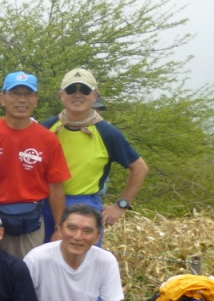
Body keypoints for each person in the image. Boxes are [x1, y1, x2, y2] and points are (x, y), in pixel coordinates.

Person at [0, 72, 70, 259]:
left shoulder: (48, 139)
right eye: (15, 93)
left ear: (36, 100)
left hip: (30, 221)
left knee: (28, 274)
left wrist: (59, 227)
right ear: (2, 98)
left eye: (28, 94)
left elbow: (56, 186)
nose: (21, 100)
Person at [40, 68, 149, 240]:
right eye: (71, 90)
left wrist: (122, 205)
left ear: (95, 96)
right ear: (62, 95)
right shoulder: (46, 128)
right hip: (46, 204)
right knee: (43, 262)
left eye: (84, 90)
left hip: (86, 206)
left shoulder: (106, 132)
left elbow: (140, 168)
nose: (77, 95)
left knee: (85, 263)